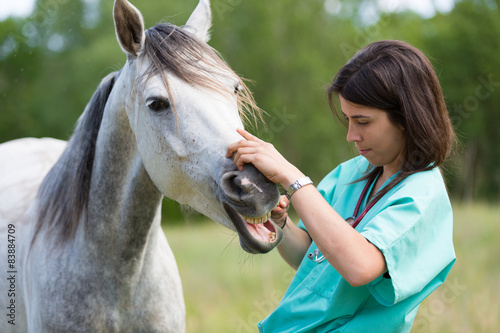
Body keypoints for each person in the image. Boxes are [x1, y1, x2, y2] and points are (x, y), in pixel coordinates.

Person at [226, 40, 457, 332]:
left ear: (407, 117)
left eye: (363, 122)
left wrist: (292, 178)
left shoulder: (422, 195)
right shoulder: (353, 172)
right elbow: (312, 259)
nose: (351, 135)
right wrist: (281, 222)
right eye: (348, 120)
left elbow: (359, 267)